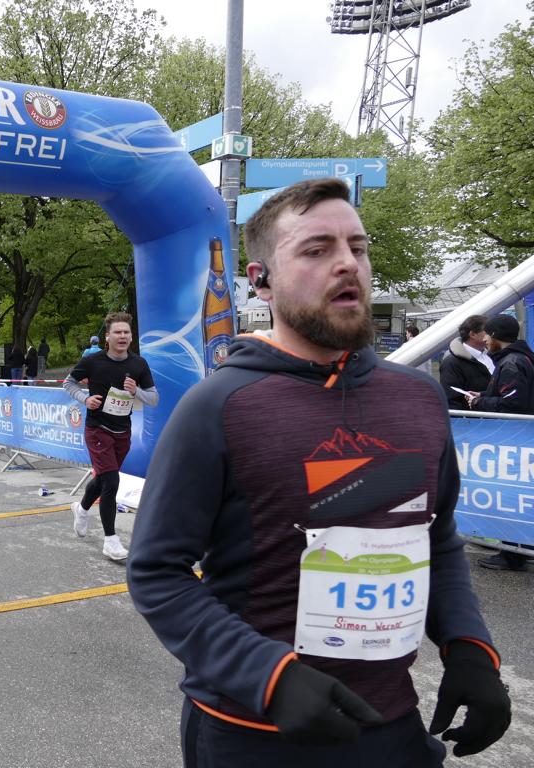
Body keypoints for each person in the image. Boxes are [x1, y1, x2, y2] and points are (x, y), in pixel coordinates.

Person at [126, 178, 511, 766]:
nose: (347, 264)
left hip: (393, 725)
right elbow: (157, 572)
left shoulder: (418, 398)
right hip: (253, 731)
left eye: (357, 247)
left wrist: (469, 646)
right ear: (261, 281)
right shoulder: (219, 406)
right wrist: (268, 675)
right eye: (316, 249)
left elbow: (433, 537)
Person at [63, 312, 156, 561]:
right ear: (107, 336)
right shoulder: (93, 361)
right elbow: (68, 383)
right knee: (112, 481)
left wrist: (136, 392)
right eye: (117, 332)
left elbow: (153, 398)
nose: (122, 336)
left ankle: (81, 508)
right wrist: (85, 399)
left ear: (131, 337)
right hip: (97, 429)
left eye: (126, 332)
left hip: (122, 431)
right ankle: (111, 541)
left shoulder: (139, 364)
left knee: (104, 479)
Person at [467, 313, 534, 572]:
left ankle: (513, 554)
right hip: (519, 438)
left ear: (496, 335)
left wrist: (479, 402)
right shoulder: (518, 359)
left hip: (512, 439)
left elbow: (512, 404)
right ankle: (520, 548)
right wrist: (484, 394)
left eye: (487, 334)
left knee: (509, 496)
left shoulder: (511, 363)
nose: (484, 339)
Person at [438, 314, 493, 410]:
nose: (492, 334)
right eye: (487, 331)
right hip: (473, 418)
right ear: (472, 334)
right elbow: (452, 401)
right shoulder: (451, 363)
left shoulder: (493, 356)